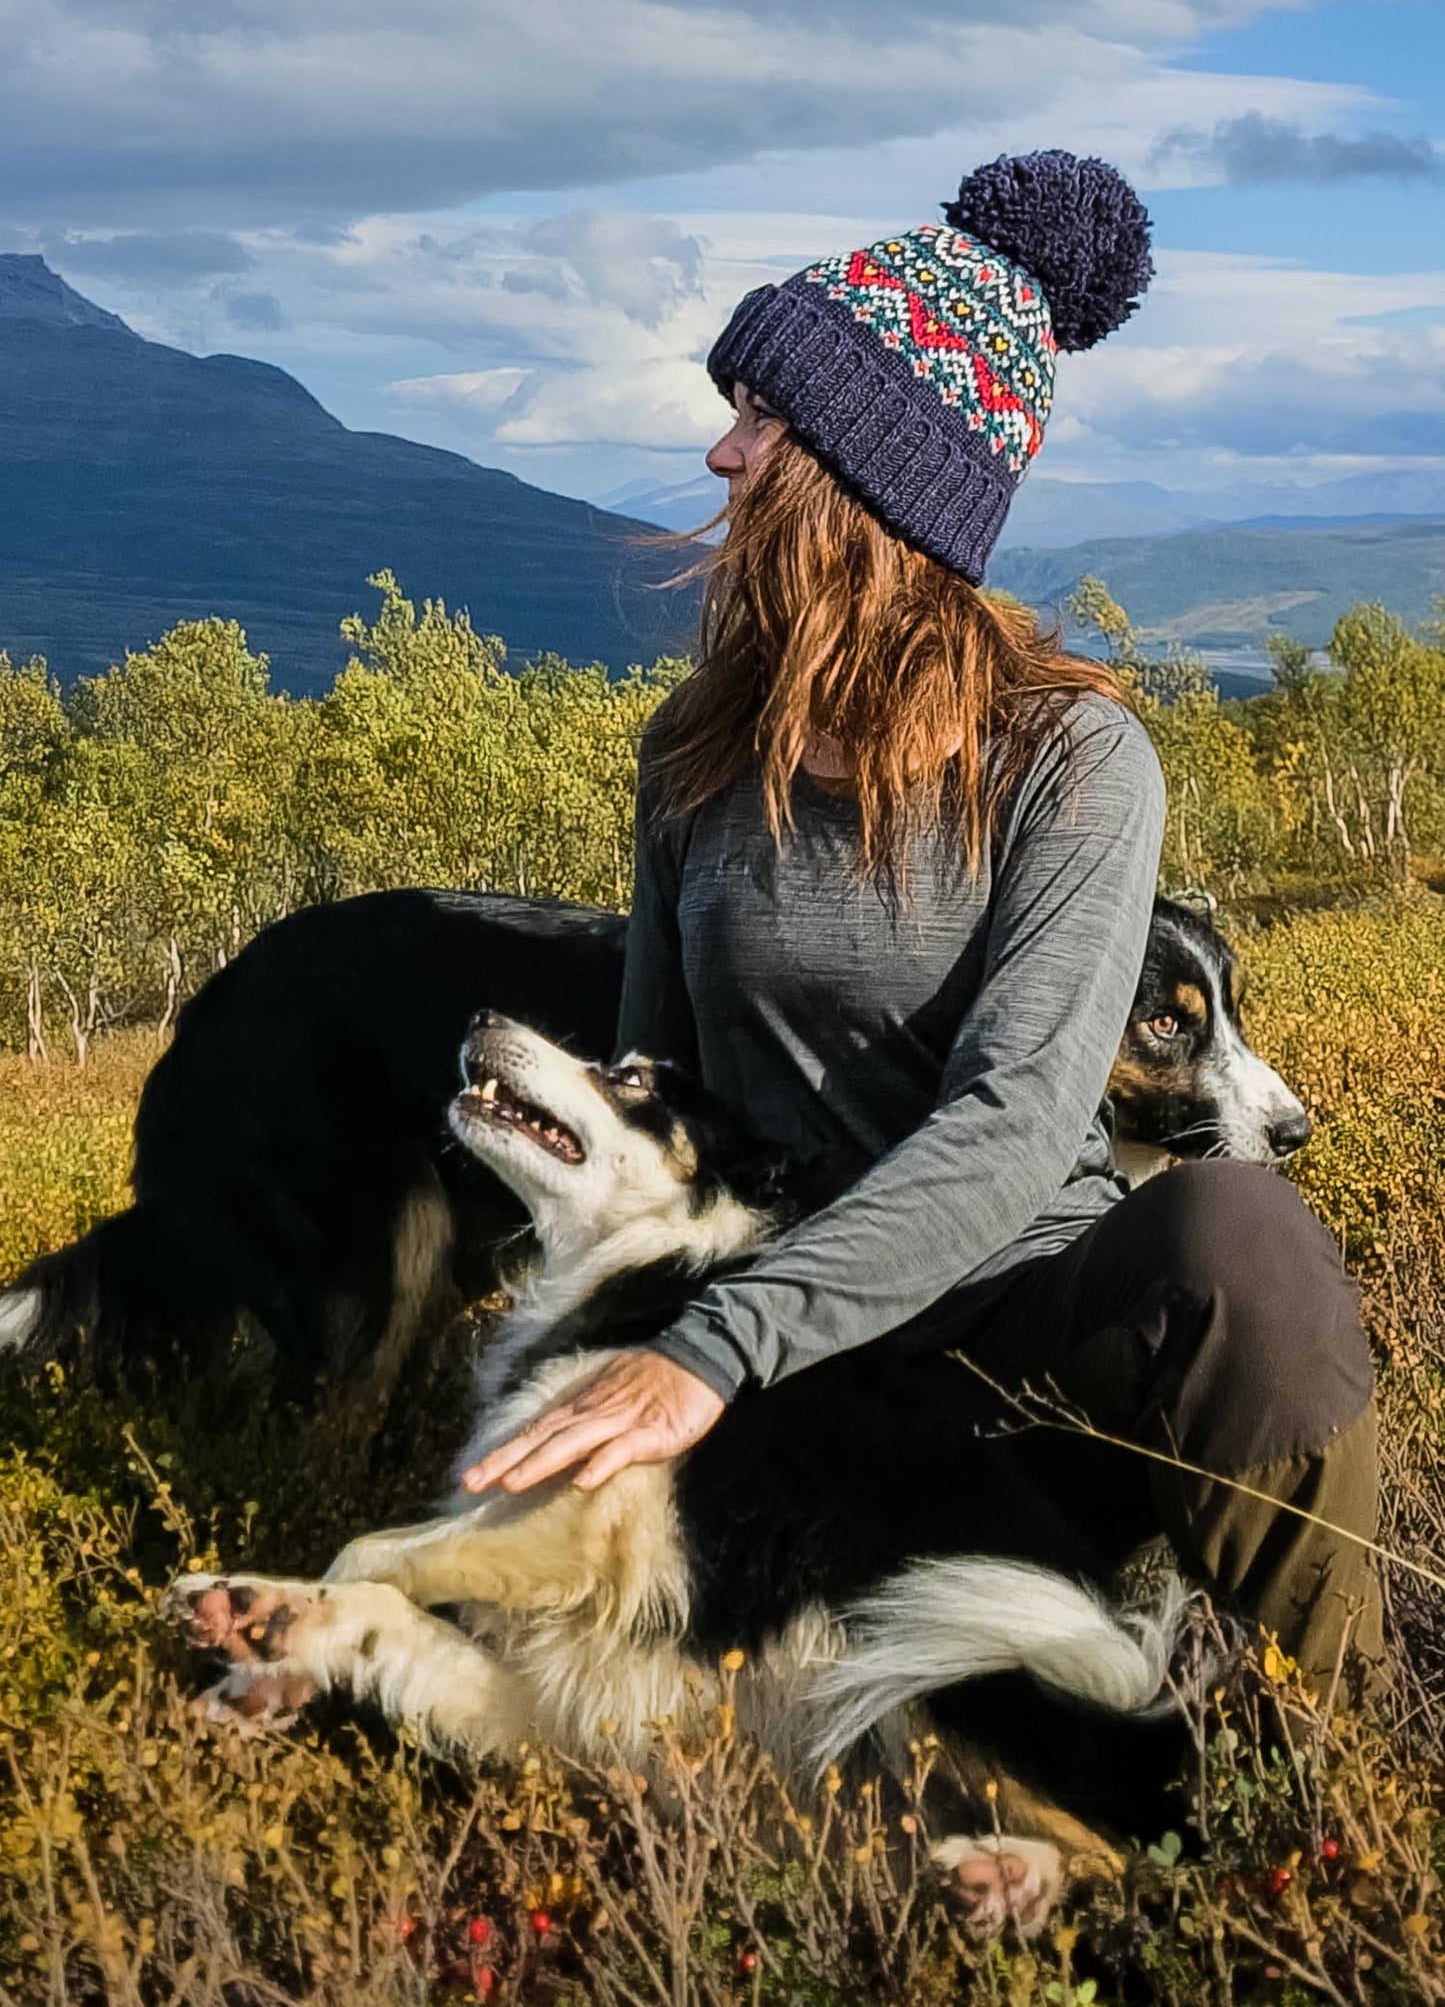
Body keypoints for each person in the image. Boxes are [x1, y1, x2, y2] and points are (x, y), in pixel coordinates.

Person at [466, 151, 1383, 1689]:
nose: (719, 450)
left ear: (867, 480)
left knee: (1241, 1240)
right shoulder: (697, 748)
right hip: (779, 1337)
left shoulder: (1072, 759)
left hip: (1009, 1327)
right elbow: (655, 1086)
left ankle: (1329, 1732)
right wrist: (634, 1321)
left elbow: (1017, 1121)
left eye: (761, 417)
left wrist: (713, 1348)